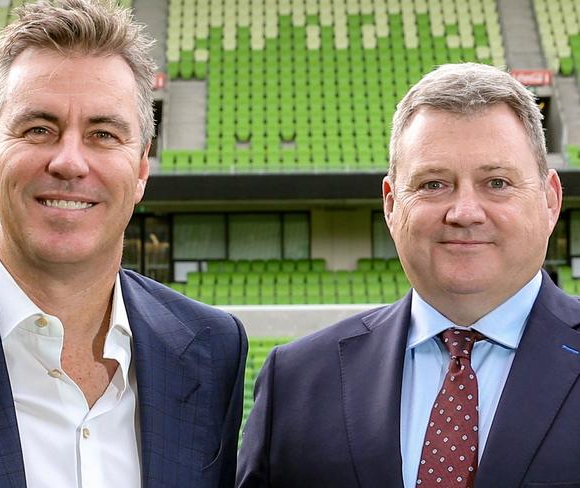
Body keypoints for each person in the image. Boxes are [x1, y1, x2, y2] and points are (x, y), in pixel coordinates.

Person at [0, 1, 247, 486]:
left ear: (141, 170)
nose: (70, 161)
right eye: (39, 129)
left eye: (103, 133)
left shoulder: (211, 347)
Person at [237, 63, 580, 487]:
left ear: (550, 200)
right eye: (434, 184)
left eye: (497, 182)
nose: (464, 213)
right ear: (391, 204)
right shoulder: (297, 380)